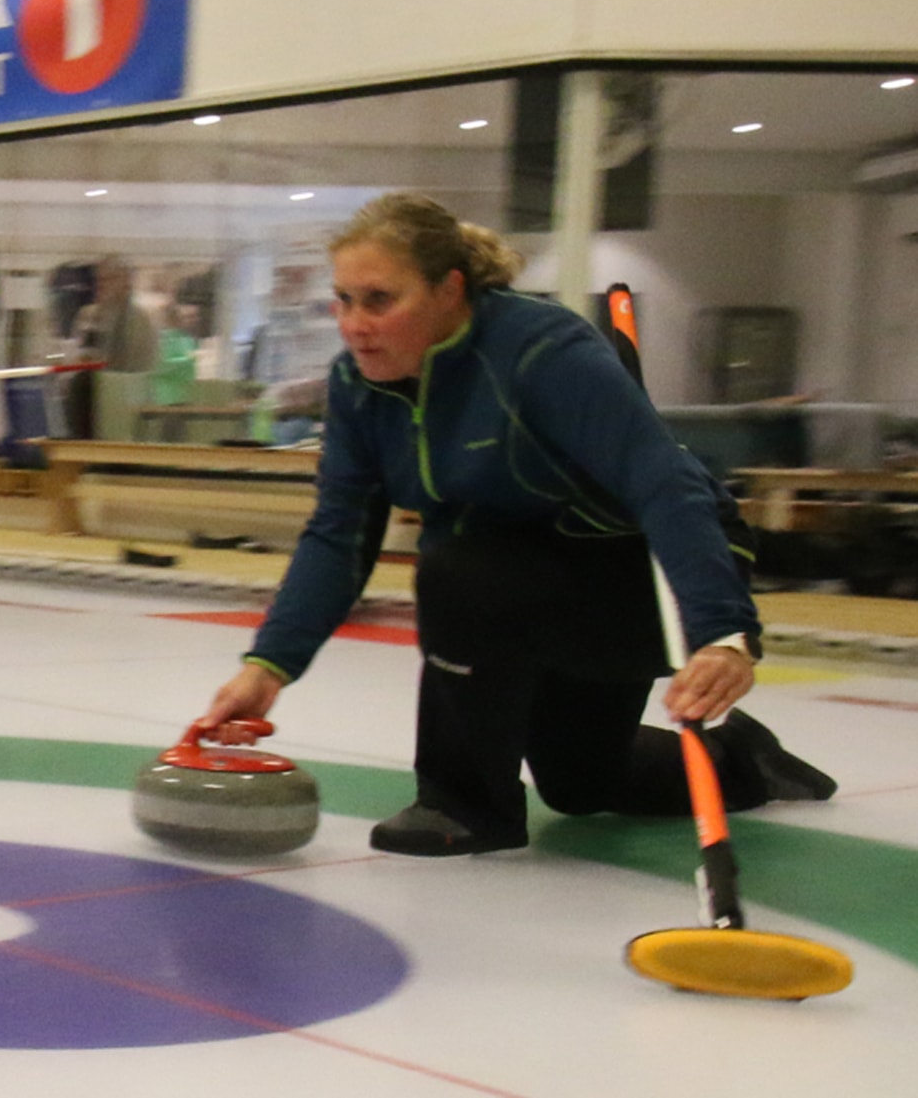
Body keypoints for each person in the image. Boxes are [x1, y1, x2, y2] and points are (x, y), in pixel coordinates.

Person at [197, 192, 834, 856]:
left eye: (380, 300)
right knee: (582, 783)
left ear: (449, 290)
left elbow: (665, 486)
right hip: (527, 580)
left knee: (458, 569)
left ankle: (463, 804)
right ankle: (745, 757)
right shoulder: (359, 388)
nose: (355, 324)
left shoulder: (543, 353)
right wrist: (268, 667)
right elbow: (339, 534)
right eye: (345, 300)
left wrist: (723, 633)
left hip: (643, 573)